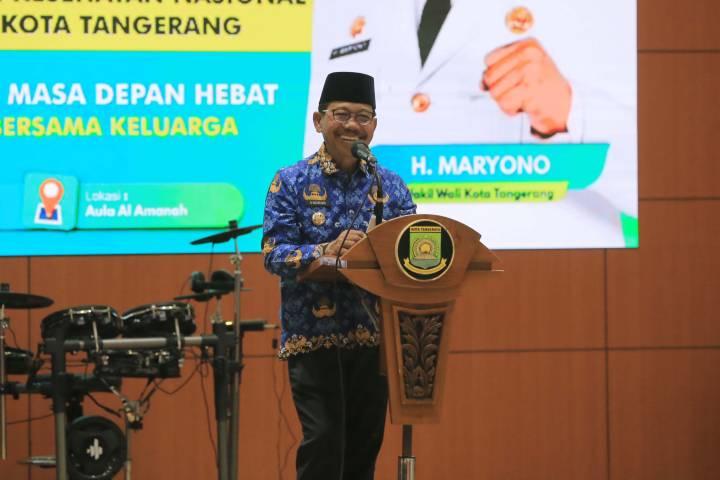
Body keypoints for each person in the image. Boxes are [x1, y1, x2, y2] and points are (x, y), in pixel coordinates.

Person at [304, 0, 637, 248]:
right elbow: (316, 152)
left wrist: (570, 111)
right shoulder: (332, 8)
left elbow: (645, 176)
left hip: (537, 261)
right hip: (380, 260)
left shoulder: (599, 11)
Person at [262, 71, 417, 480]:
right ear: (319, 121)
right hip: (313, 337)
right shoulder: (290, 181)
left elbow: (409, 254)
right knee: (325, 443)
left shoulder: (390, 185)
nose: (353, 125)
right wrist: (323, 251)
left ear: (374, 126)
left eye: (363, 116)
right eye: (342, 114)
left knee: (364, 450)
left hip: (374, 339)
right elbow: (273, 254)